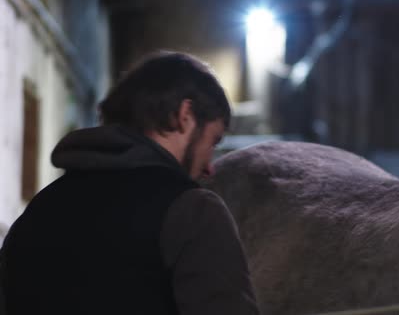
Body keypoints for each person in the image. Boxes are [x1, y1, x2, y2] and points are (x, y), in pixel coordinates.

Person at [0, 51, 259, 315]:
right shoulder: (192, 211)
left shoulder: (39, 211)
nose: (209, 165)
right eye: (212, 142)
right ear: (185, 114)